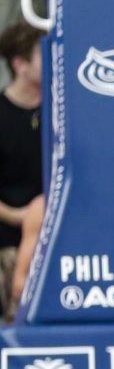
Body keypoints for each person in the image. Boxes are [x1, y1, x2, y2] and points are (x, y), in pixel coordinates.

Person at [0, 22, 42, 252]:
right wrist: (18, 216)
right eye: (42, 55)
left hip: (58, 238)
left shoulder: (61, 110)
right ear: (20, 65)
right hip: (9, 244)